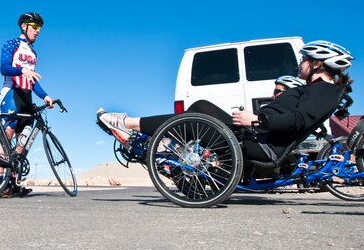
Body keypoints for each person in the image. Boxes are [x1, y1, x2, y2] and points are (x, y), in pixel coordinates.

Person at [97, 41, 353, 162]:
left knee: (197, 113)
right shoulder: (316, 89)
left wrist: (257, 118)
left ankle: (127, 123)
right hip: (254, 136)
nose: (300, 64)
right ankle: (142, 132)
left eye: (305, 60)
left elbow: (298, 120)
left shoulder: (322, 91)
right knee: (200, 108)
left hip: (260, 146)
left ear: (317, 64)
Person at [0, 12, 55, 197]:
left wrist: (45, 96)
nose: (37, 31)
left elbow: (32, 80)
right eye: (34, 27)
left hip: (27, 96)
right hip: (11, 93)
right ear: (24, 26)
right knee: (8, 133)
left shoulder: (33, 53)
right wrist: (22, 69)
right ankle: (0, 184)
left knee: (22, 141)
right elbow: (4, 68)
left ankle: (13, 183)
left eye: (40, 28)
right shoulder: (11, 44)